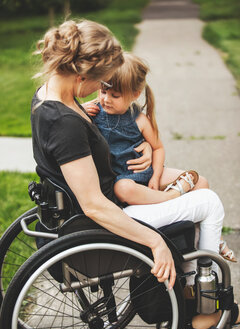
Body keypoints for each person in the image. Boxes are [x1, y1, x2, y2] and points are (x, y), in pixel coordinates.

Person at [31, 19, 239, 329]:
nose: (100, 91)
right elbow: (94, 205)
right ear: (82, 75)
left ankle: (192, 281)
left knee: (198, 185)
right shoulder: (66, 123)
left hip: (98, 204)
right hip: (109, 217)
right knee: (208, 202)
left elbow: (86, 142)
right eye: (100, 81)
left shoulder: (49, 96)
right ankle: (201, 304)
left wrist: (141, 146)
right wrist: (154, 242)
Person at [83, 52, 237, 262]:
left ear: (135, 94)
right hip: (123, 180)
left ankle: (213, 237)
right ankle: (170, 197)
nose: (106, 99)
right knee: (123, 189)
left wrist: (155, 177)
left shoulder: (139, 119)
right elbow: (74, 119)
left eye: (115, 96)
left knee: (201, 182)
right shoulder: (94, 112)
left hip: (144, 173)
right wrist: (82, 109)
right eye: (103, 92)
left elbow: (157, 148)